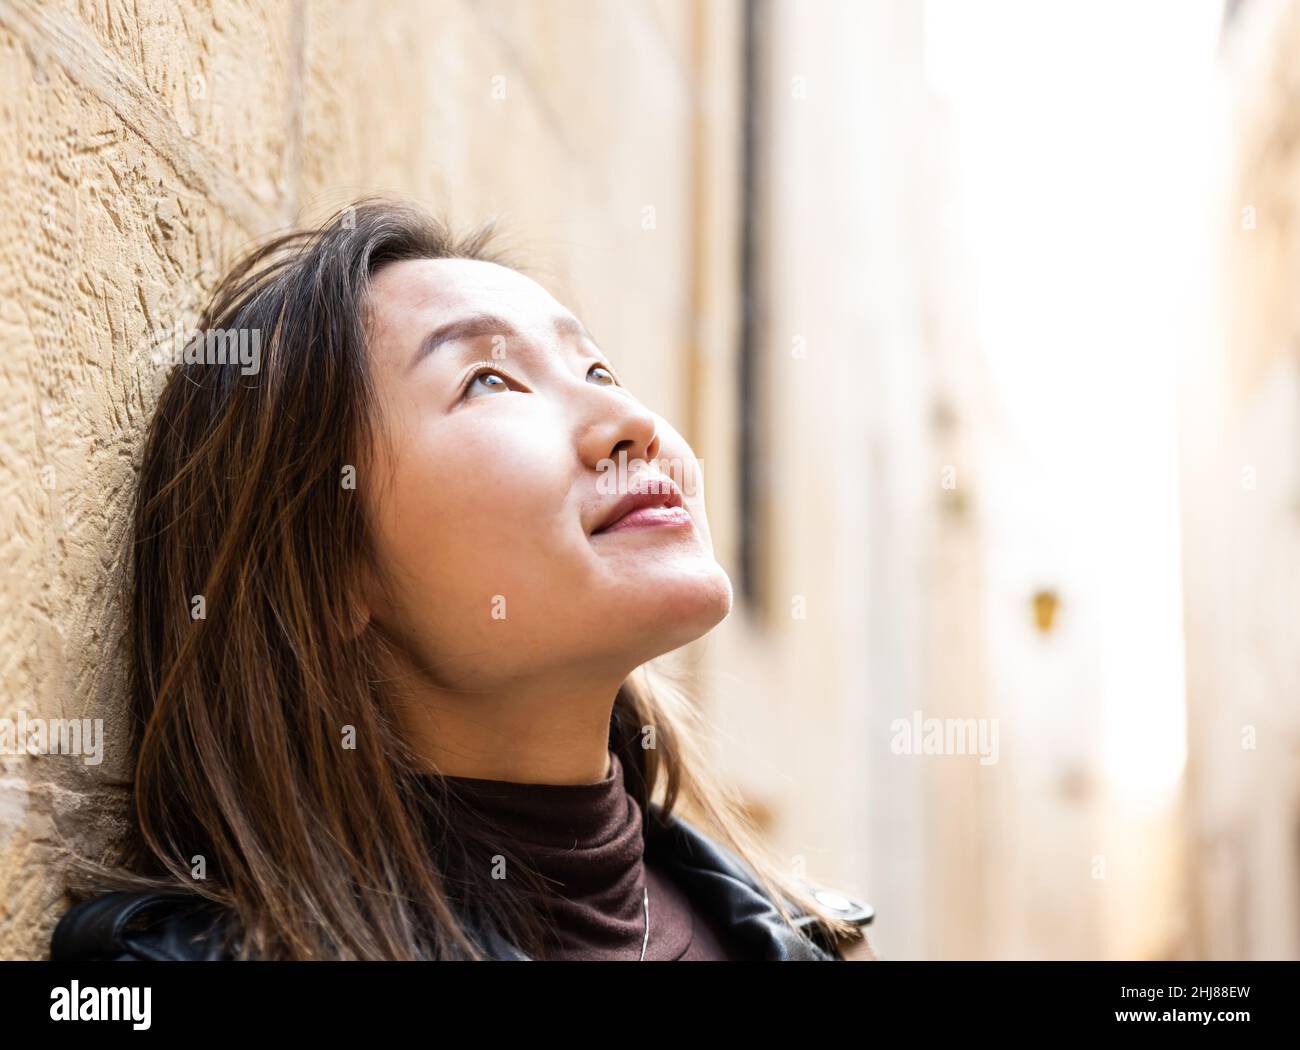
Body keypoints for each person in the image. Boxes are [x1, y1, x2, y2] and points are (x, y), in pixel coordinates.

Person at [48, 198, 875, 961]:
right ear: (331, 567)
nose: (630, 424)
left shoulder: (811, 938)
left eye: (599, 372)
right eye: (489, 380)